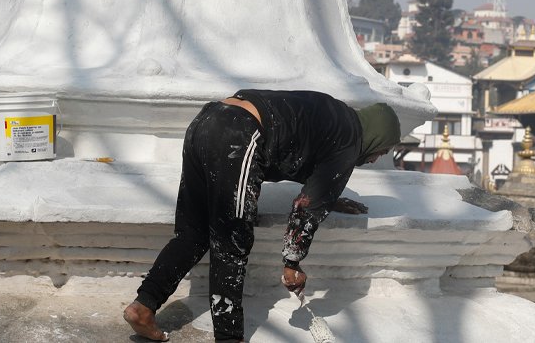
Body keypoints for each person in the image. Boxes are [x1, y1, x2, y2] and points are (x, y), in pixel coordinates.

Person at [124, 89, 401, 342]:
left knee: (193, 233)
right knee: (232, 241)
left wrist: (330, 196)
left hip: (206, 121)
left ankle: (143, 306)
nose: (377, 158)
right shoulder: (350, 140)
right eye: (382, 150)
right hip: (238, 134)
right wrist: (292, 263)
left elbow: (310, 163)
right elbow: (307, 207)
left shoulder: (337, 116)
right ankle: (229, 337)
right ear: (375, 136)